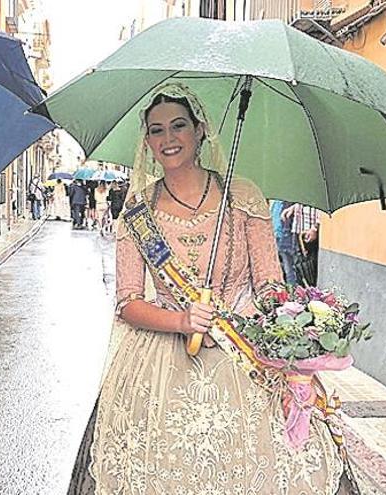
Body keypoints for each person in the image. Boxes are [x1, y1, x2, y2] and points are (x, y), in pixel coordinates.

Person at [68, 83, 345, 494]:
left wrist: (280, 328)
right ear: (146, 141)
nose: (168, 139)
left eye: (178, 126)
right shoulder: (138, 209)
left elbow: (270, 284)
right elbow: (127, 302)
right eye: (157, 130)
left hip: (243, 353)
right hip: (159, 361)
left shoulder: (243, 196)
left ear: (200, 131)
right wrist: (181, 320)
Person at [283, 202, 321, 285]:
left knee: (308, 270)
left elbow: (321, 209)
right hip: (298, 230)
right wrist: (294, 208)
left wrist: (315, 228)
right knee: (298, 267)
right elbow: (304, 202)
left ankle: (311, 292)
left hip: (308, 232)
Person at [270, 199, 298, 285]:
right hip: (278, 237)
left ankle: (292, 289)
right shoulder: (276, 203)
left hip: (285, 238)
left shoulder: (286, 204)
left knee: (289, 268)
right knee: (285, 268)